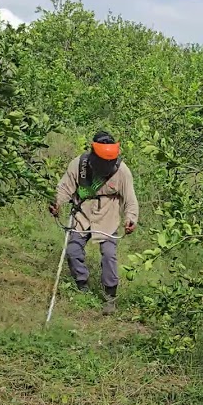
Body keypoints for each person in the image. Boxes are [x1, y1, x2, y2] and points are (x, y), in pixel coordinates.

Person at [50, 131, 139, 314]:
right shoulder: (79, 165)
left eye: (109, 161)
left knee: (108, 254)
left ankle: (110, 296)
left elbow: (130, 199)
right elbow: (64, 187)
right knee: (73, 250)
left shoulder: (121, 171)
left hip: (108, 215)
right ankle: (82, 286)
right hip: (83, 213)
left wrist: (131, 219)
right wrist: (56, 203)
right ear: (94, 156)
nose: (107, 165)